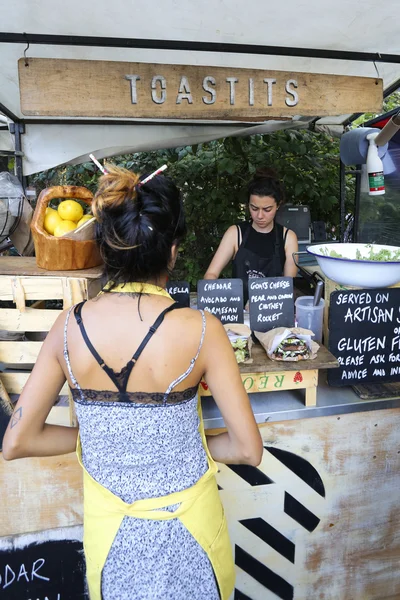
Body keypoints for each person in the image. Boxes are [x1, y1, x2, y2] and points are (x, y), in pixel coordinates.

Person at [3, 165, 263, 600]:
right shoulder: (203, 329)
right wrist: (175, 440)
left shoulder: (68, 328)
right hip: (193, 543)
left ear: (105, 248)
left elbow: (16, 441)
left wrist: (104, 435)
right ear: (174, 251)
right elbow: (247, 449)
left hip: (113, 551)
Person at [204, 168, 298, 302]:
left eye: (267, 209)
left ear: (278, 205)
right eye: (254, 208)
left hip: (272, 312)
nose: (260, 216)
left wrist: (259, 301)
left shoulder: (288, 238)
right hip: (237, 311)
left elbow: (288, 287)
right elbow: (211, 274)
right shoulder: (235, 233)